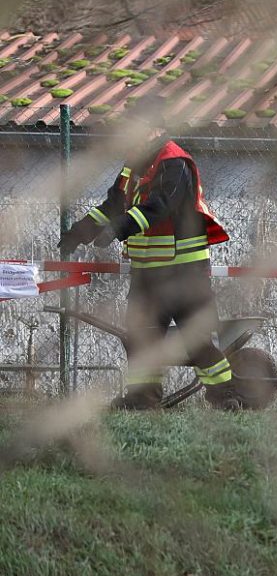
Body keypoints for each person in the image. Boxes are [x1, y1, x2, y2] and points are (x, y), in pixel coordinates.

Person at [57, 96, 243, 410]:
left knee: (195, 341)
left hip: (183, 272)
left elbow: (158, 206)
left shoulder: (174, 162)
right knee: (140, 336)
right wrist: (81, 231)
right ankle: (142, 401)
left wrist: (119, 229)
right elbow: (113, 205)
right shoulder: (133, 164)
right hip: (147, 271)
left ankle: (229, 397)